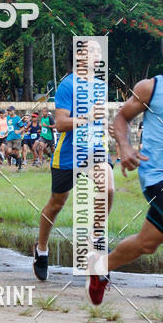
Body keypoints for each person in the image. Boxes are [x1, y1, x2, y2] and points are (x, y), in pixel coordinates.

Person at [87, 28, 163, 323]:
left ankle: (100, 267)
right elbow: (121, 118)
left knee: (146, 244)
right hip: (158, 175)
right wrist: (125, 146)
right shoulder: (151, 88)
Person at [33, 41, 114, 281]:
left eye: (99, 50)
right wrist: (87, 117)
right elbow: (61, 123)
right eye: (91, 51)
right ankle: (41, 250)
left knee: (107, 188)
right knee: (57, 204)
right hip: (69, 153)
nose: (97, 54)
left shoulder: (100, 85)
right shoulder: (67, 85)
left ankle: (95, 239)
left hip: (95, 149)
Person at [5, 105, 24, 170]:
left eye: (10, 110)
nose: (9, 112)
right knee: (9, 151)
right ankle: (18, 160)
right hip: (9, 137)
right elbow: (9, 127)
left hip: (16, 137)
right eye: (8, 111)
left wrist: (18, 131)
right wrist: (5, 132)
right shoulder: (7, 118)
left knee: (17, 152)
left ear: (13, 111)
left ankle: (20, 167)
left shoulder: (18, 118)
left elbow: (23, 128)